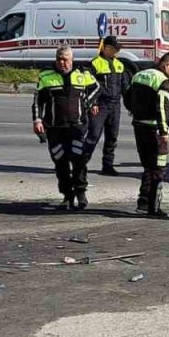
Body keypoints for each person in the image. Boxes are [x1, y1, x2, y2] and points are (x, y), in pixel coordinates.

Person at [33, 46, 100, 211]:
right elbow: (37, 101)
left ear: (72, 59)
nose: (62, 63)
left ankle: (81, 193)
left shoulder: (82, 74)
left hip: (77, 127)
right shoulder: (46, 75)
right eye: (59, 59)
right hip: (54, 128)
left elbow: (97, 88)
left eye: (65, 60)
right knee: (60, 163)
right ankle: (67, 196)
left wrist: (89, 103)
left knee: (78, 161)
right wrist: (37, 120)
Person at [125, 52, 169, 217]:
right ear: (166, 66)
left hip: (138, 126)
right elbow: (162, 108)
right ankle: (154, 207)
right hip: (155, 129)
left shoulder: (138, 75)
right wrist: (164, 131)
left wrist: (136, 113)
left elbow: (127, 99)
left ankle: (142, 202)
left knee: (147, 166)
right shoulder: (162, 80)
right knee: (158, 168)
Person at [85, 35, 130, 177]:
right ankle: (81, 163)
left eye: (118, 50)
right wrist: (93, 103)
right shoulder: (94, 63)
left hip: (115, 105)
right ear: (106, 48)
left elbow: (125, 87)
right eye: (114, 49)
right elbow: (88, 86)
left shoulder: (119, 64)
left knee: (112, 137)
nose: (117, 52)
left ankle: (107, 166)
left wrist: (130, 105)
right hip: (101, 105)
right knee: (93, 135)